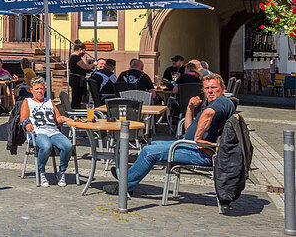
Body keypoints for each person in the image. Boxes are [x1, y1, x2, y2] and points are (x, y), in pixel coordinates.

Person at [104, 73, 235, 196]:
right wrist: (190, 108)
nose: (210, 91)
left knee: (150, 151)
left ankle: (123, 187)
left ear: (223, 89)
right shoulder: (213, 104)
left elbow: (208, 114)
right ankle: (128, 177)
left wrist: (198, 139)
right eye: (206, 88)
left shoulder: (222, 102)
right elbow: (189, 129)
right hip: (191, 146)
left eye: (213, 87)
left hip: (201, 153)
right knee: (152, 145)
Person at [20, 76, 76, 187]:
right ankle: (41, 172)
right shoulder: (28, 101)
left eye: (41, 88)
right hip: (37, 132)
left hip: (53, 131)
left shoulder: (49, 101)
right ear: (31, 90)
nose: (39, 91)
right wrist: (27, 124)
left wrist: (67, 119)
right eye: (37, 89)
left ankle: (61, 171)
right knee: (46, 146)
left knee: (68, 146)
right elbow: (23, 117)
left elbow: (57, 117)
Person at [67, 41, 94, 109]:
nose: (84, 53)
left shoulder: (75, 57)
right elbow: (85, 66)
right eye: (84, 51)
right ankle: (75, 112)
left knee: (78, 97)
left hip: (77, 79)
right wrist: (94, 64)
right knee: (76, 98)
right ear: (80, 50)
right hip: (76, 80)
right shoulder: (75, 57)